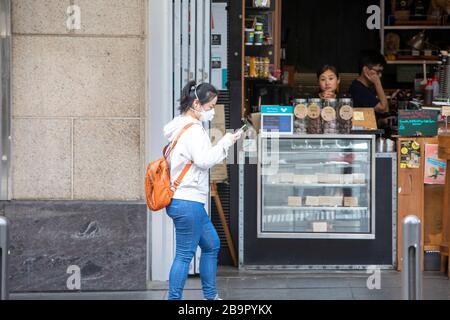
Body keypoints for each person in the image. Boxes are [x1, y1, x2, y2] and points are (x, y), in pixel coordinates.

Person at [163, 81, 241, 300]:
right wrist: (225, 142)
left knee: (212, 244)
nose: (211, 111)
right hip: (187, 202)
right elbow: (204, 160)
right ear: (196, 103)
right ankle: (174, 298)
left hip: (186, 201)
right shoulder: (193, 131)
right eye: (209, 106)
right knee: (184, 255)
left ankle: (210, 296)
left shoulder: (180, 126)